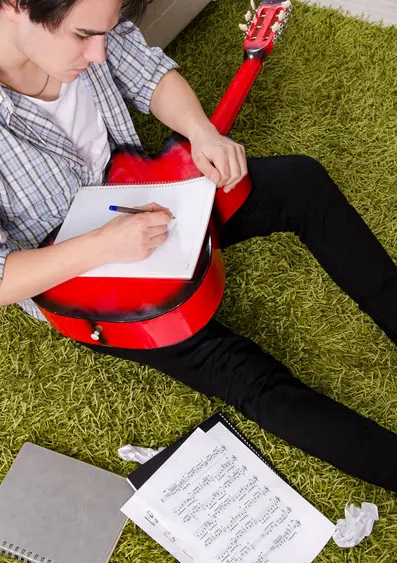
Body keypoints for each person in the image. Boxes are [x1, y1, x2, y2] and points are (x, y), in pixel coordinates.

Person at [1, 0, 397, 493]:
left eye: (105, 33)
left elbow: (151, 75)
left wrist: (201, 133)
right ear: (15, 6)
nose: (99, 54)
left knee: (302, 183)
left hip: (151, 192)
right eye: (83, 36)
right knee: (241, 372)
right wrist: (104, 245)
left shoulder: (91, 29)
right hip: (82, 280)